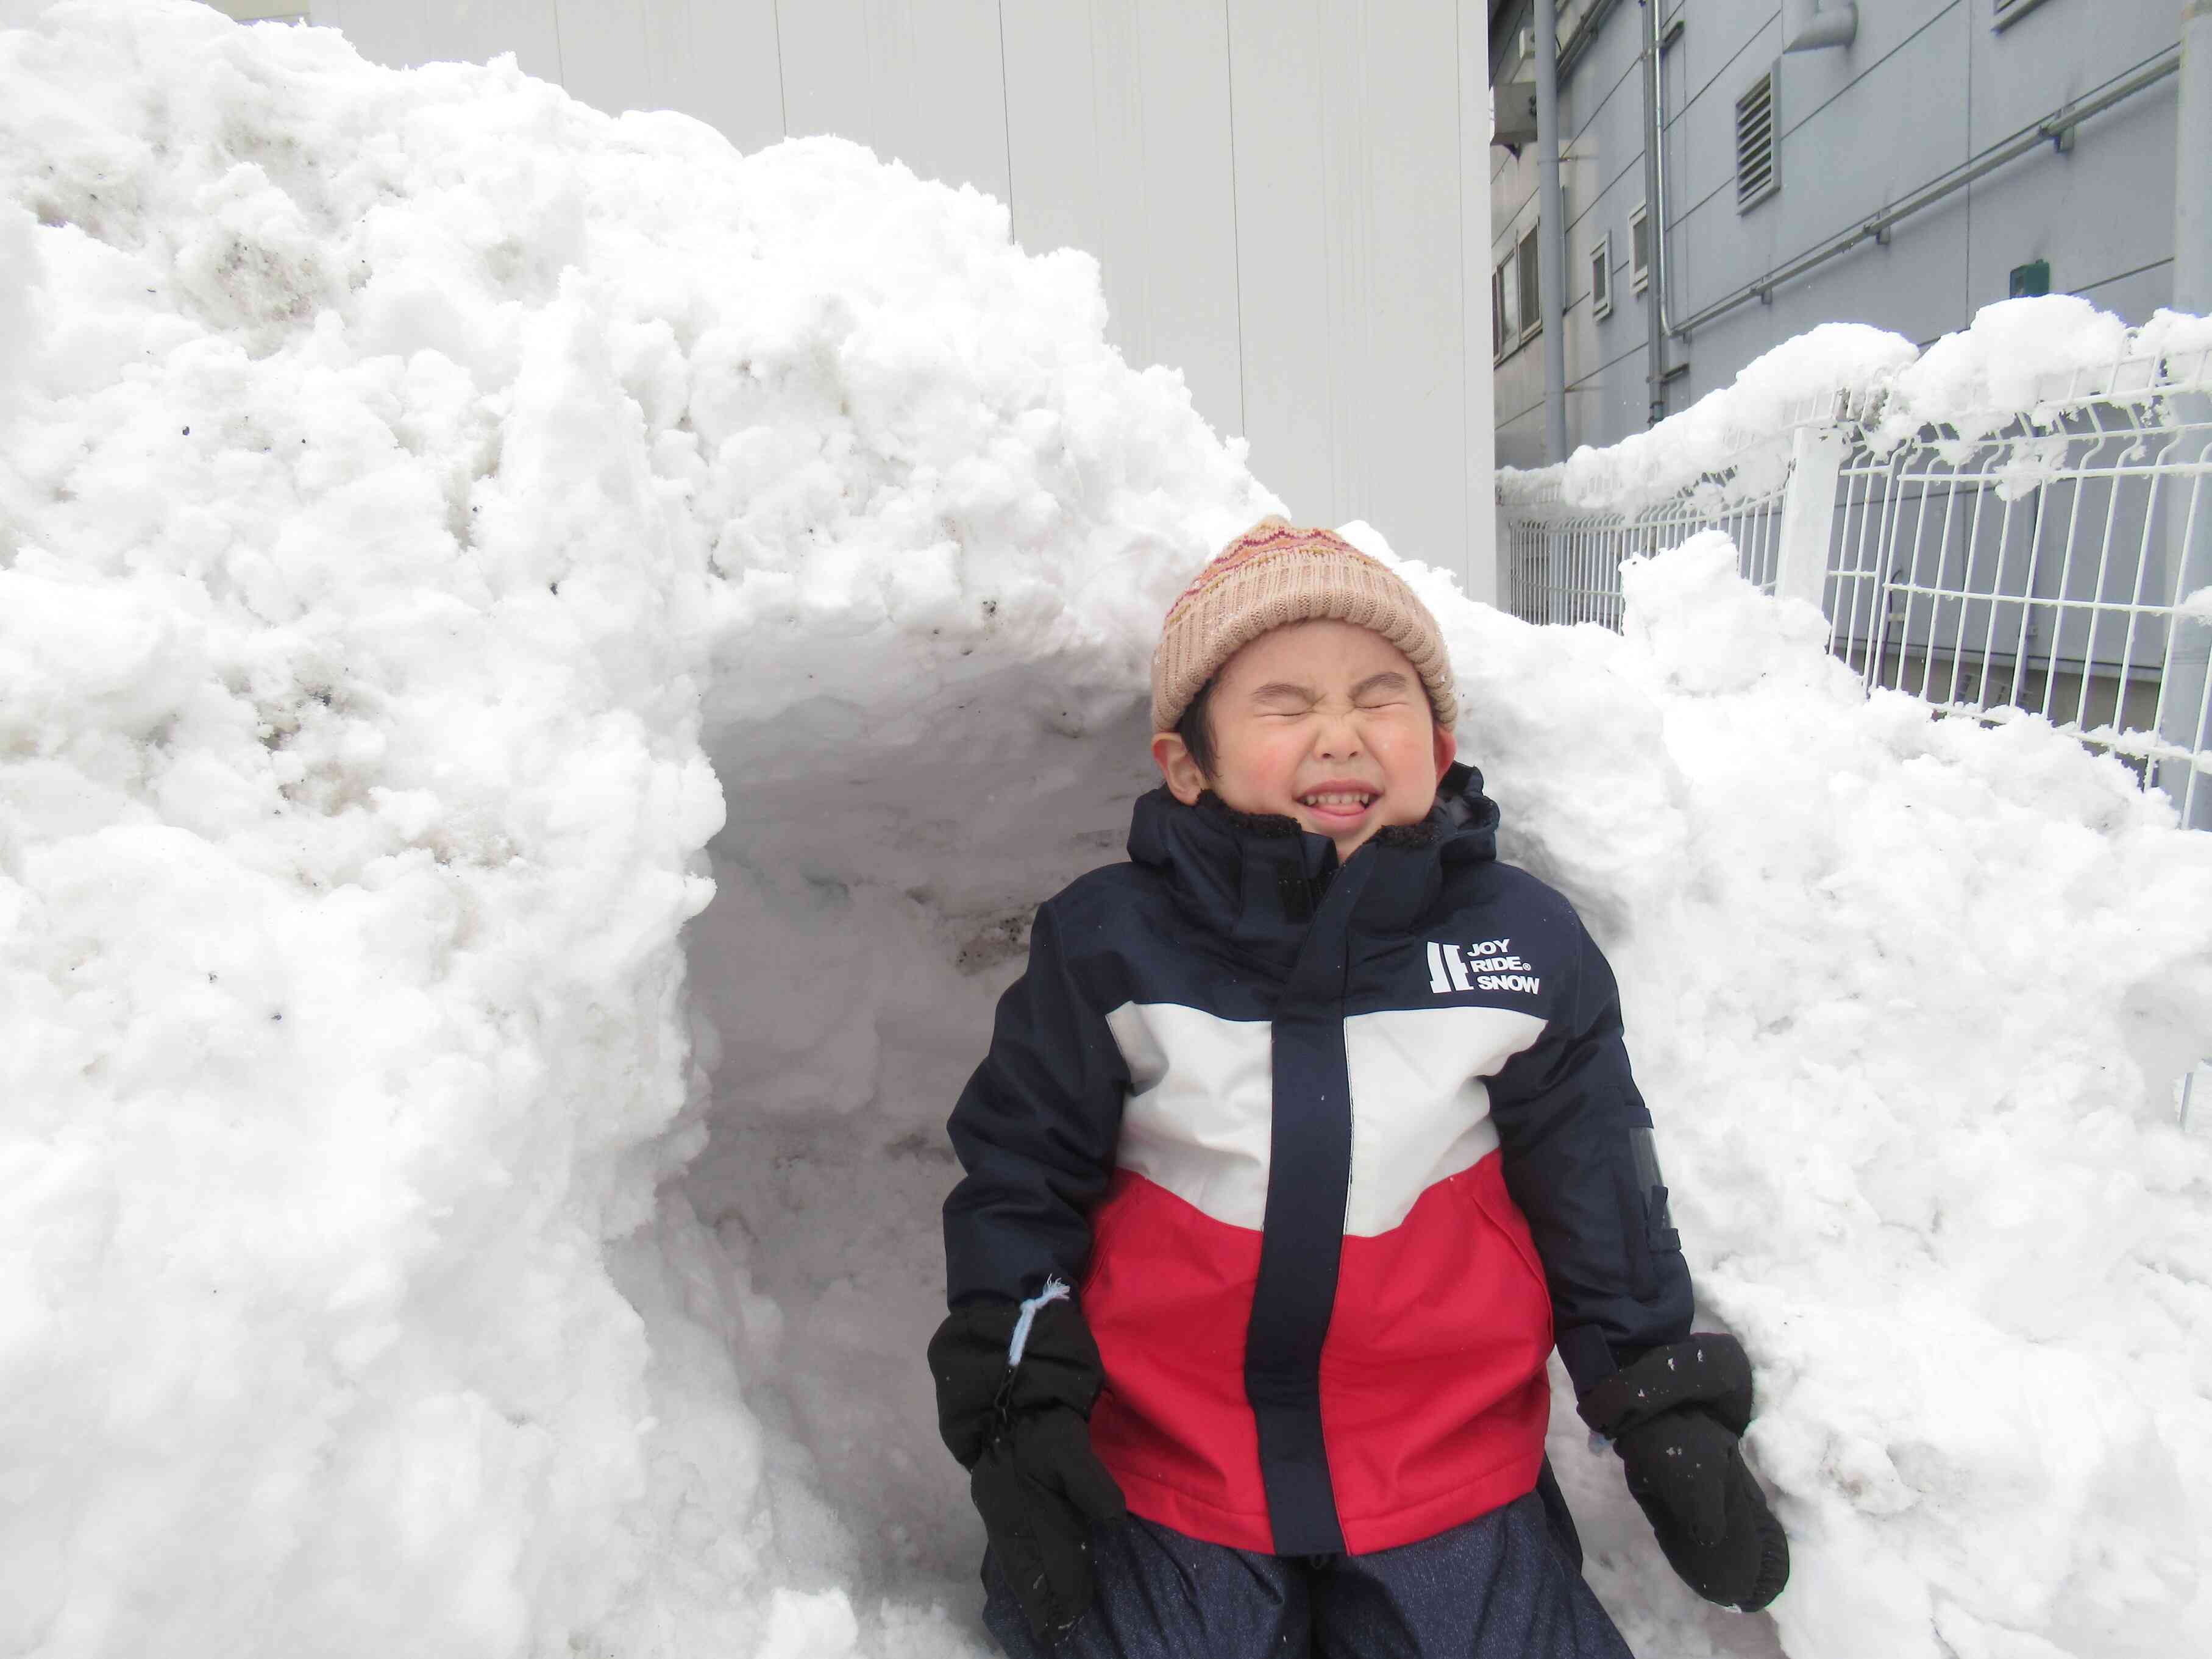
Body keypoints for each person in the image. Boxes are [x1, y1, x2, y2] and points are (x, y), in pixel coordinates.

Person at [927, 517, 1787, 1656]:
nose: (1341, 733)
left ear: (1437, 742)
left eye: (1381, 697)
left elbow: (1599, 1189)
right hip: (1174, 1468)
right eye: (1284, 704)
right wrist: (1017, 1403)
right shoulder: (1110, 948)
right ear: (1187, 762)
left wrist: (1660, 1401)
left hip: (1445, 1471)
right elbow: (1019, 1178)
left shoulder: (1520, 946)